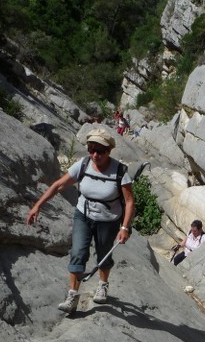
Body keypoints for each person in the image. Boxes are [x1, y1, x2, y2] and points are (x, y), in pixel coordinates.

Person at [26, 128, 134, 314]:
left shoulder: (119, 171)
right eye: (91, 149)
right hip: (83, 216)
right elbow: (58, 185)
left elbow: (130, 201)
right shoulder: (83, 165)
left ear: (109, 151)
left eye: (100, 151)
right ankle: (72, 296)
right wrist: (37, 206)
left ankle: (102, 284)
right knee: (78, 252)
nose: (95, 154)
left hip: (108, 220)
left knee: (103, 254)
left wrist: (124, 227)